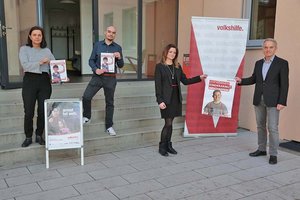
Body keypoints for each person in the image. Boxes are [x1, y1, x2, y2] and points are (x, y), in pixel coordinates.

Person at [235, 38, 289, 165]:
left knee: (272, 127)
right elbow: (254, 78)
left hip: (274, 101)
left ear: (275, 48)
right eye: (266, 47)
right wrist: (241, 81)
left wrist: (282, 101)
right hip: (259, 99)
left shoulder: (282, 63)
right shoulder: (258, 63)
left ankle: (273, 154)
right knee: (260, 126)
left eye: (271, 47)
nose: (268, 50)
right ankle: (261, 149)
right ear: (262, 49)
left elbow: (285, 84)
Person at [154, 44, 207, 156]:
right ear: (166, 52)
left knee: (171, 123)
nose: (172, 54)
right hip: (166, 99)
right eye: (170, 52)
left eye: (174, 52)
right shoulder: (159, 67)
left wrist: (199, 78)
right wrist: (160, 100)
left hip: (175, 98)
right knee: (167, 123)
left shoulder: (177, 67)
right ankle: (162, 146)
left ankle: (168, 145)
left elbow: (185, 81)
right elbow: (157, 85)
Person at [82, 26, 124, 136]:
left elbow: (121, 65)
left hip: (110, 78)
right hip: (98, 77)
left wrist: (119, 58)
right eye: (109, 32)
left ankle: (109, 126)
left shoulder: (118, 47)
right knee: (86, 96)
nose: (111, 34)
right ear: (105, 32)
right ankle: (87, 116)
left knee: (109, 102)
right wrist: (96, 69)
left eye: (113, 32)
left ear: (115, 35)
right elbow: (91, 60)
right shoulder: (97, 45)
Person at [19, 26, 55, 147]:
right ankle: (28, 136)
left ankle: (39, 135)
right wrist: (40, 62)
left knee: (42, 111)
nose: (37, 37)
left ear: (42, 37)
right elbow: (25, 65)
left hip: (44, 81)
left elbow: (55, 66)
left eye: (39, 35)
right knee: (28, 111)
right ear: (30, 36)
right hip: (30, 80)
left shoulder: (47, 51)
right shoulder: (24, 49)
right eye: (34, 35)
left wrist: (61, 76)